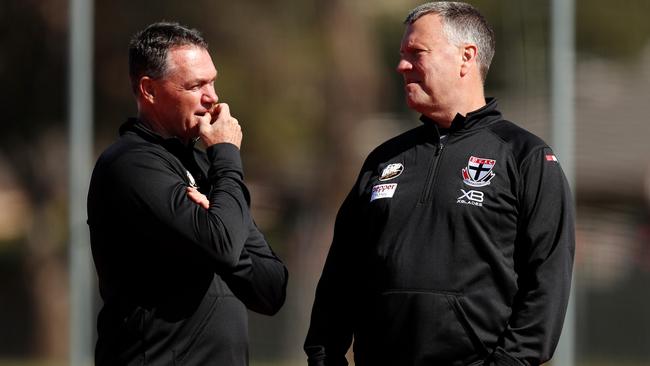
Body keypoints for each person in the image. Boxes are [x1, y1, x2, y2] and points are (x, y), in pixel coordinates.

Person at [304, 2, 575, 366]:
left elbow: (546, 282)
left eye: (416, 54)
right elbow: (340, 275)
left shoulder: (526, 157)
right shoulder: (384, 159)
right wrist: (324, 357)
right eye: (401, 55)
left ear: (466, 57)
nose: (401, 66)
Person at [87, 22, 288, 366]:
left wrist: (216, 228)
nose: (212, 97)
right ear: (149, 90)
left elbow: (271, 289)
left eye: (212, 81)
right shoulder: (132, 166)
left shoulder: (207, 168)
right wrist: (226, 156)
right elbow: (223, 244)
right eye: (196, 85)